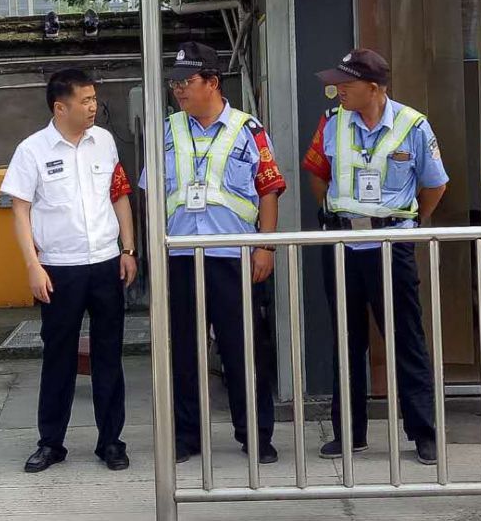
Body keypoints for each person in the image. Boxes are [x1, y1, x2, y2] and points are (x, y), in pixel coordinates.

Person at [142, 42, 287, 465]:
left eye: (186, 81)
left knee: (243, 349)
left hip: (233, 256)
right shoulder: (167, 130)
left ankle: (255, 434)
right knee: (184, 351)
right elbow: (151, 193)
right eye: (174, 83)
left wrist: (265, 245)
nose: (178, 90)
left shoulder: (248, 129)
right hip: (181, 255)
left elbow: (268, 190)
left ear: (212, 82)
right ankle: (187, 435)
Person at [302, 49, 447, 465]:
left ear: (374, 87)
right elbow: (318, 175)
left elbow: (435, 185)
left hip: (391, 245)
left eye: (346, 83)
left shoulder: (413, 125)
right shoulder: (332, 122)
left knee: (406, 339)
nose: (338, 90)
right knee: (346, 341)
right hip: (342, 245)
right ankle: (349, 433)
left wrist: (406, 222)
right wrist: (340, 214)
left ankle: (423, 432)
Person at [1, 68, 138, 474]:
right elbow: (20, 212)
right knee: (58, 357)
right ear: (60, 108)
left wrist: (128, 249)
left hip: (106, 264)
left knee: (108, 355)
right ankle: (50, 443)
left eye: (94, 99)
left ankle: (110, 441)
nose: (94, 106)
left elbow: (119, 196)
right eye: (85, 100)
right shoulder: (32, 150)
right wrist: (32, 266)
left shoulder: (105, 142)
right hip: (59, 268)